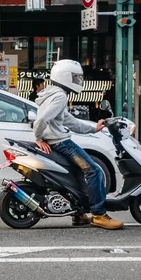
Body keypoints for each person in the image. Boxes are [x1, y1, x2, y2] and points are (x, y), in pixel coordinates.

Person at [32, 59, 123, 230]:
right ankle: (99, 214)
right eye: (76, 77)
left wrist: (93, 128)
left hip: (57, 141)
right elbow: (42, 120)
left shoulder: (51, 93)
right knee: (94, 171)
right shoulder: (59, 96)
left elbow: (70, 122)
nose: (79, 81)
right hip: (62, 143)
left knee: (77, 174)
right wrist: (38, 138)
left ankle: (79, 214)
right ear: (65, 77)